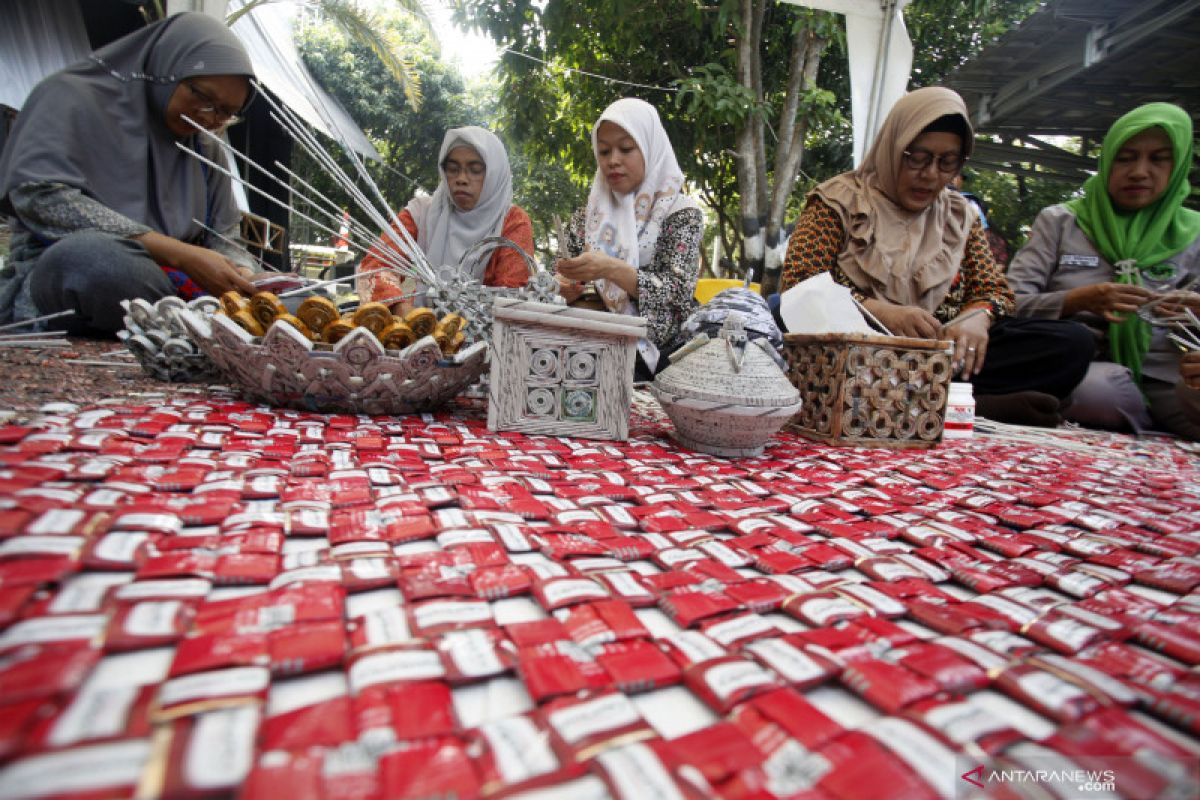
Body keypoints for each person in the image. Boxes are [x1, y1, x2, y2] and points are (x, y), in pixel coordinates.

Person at [780, 86, 1093, 426]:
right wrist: (878, 311)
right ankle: (963, 405)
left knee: (1071, 343)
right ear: (893, 147)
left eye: (947, 162)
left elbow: (996, 291)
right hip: (856, 352)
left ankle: (925, 402)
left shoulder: (960, 216)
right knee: (782, 323)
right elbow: (798, 284)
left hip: (939, 356)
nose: (930, 174)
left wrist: (979, 317)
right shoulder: (838, 201)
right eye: (917, 157)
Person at [0, 12, 259, 334]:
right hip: (73, 280)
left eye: (226, 113)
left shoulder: (204, 148)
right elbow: (41, 197)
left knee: (299, 297)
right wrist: (180, 255)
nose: (208, 116)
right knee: (95, 262)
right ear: (167, 69)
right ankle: (186, 325)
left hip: (181, 290)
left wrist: (243, 274)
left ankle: (180, 324)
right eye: (202, 97)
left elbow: (224, 237)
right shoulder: (71, 98)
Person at [1008, 103, 1200, 439]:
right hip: (1085, 371)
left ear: (1179, 163)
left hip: (1174, 375)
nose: (1139, 172)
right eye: (1125, 158)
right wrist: (1078, 300)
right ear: (1107, 160)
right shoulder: (1061, 222)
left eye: (1158, 159)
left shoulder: (1195, 233)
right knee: (1102, 393)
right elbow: (1006, 302)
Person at [556, 97, 703, 380]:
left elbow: (678, 294)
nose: (613, 160)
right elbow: (559, 278)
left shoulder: (680, 213)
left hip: (663, 362)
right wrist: (563, 286)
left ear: (650, 147)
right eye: (603, 151)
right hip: (588, 356)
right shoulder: (587, 217)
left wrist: (610, 268)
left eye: (626, 148)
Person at [356, 126, 533, 311]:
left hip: (487, 335)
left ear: (494, 174)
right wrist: (402, 311)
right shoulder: (421, 213)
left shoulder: (512, 221)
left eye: (475, 170)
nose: (461, 179)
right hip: (419, 332)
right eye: (453, 169)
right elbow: (376, 266)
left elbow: (512, 298)